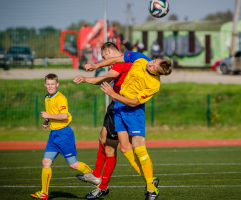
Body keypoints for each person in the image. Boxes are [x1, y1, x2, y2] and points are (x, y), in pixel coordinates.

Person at [85, 50, 172, 200]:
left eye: (153, 66)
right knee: (125, 148)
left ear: (157, 73)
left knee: (139, 148)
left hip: (133, 112)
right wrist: (95, 65)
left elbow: (135, 102)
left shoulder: (154, 85)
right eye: (153, 61)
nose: (150, 64)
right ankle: (150, 180)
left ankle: (151, 190)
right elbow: (116, 59)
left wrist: (113, 94)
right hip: (119, 107)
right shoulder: (140, 58)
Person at [73, 42, 133, 199]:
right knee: (101, 138)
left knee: (111, 149)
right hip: (115, 106)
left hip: (121, 107)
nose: (105, 60)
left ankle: (103, 186)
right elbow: (106, 78)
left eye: (105, 57)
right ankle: (96, 175)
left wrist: (87, 77)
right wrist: (88, 77)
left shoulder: (122, 61)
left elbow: (108, 77)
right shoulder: (120, 61)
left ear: (108, 51)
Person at [30, 73, 93, 200]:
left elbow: (64, 115)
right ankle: (44, 192)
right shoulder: (47, 97)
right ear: (45, 84)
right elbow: (53, 114)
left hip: (64, 134)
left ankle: (96, 178)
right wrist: (47, 120)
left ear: (57, 84)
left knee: (73, 164)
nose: (50, 86)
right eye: (48, 84)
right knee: (46, 162)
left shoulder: (61, 98)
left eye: (52, 84)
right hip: (53, 135)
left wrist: (48, 115)